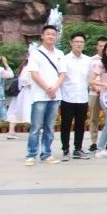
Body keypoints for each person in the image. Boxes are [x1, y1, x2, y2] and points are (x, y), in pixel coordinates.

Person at [25, 25, 66, 166]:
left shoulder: (60, 53)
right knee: (36, 127)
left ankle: (46, 153)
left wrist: (54, 88)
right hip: (40, 95)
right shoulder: (35, 53)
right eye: (48, 34)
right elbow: (34, 73)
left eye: (53, 34)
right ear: (42, 36)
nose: (51, 36)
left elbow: (62, 74)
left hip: (55, 95)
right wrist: (48, 88)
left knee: (49, 126)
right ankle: (31, 155)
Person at [59, 33, 93, 161]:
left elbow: (90, 78)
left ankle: (77, 149)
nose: (79, 44)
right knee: (66, 125)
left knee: (80, 125)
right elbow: (61, 78)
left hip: (82, 98)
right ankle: (65, 150)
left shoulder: (88, 60)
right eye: (76, 41)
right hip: (67, 97)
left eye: (81, 42)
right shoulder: (64, 59)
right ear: (71, 43)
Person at [5, 50, 33, 139]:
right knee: (30, 110)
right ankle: (38, 129)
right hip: (27, 92)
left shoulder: (24, 66)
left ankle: (11, 131)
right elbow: (25, 80)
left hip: (21, 92)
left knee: (15, 111)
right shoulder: (28, 67)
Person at [86, 36, 107, 152]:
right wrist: (94, 87)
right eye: (100, 46)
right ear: (97, 47)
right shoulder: (91, 60)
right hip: (94, 92)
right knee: (93, 118)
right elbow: (88, 76)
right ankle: (94, 142)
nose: (103, 48)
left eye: (105, 46)